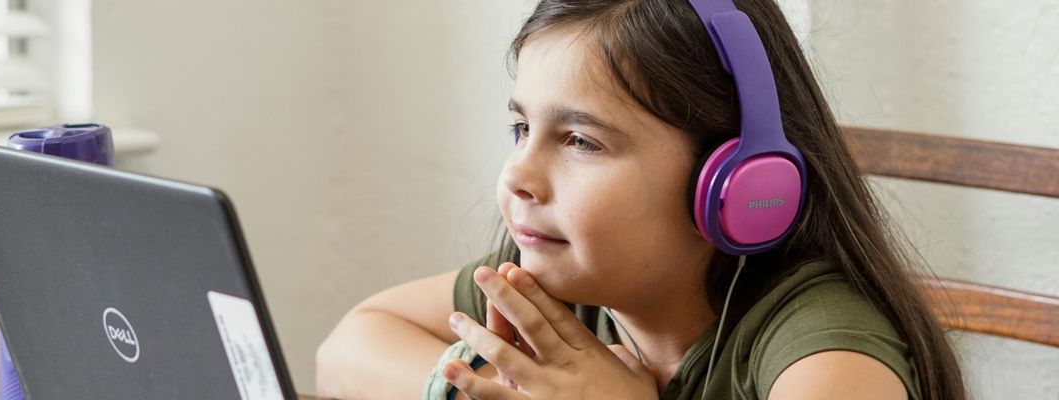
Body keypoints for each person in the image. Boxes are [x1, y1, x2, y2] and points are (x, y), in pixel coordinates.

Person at [316, 1, 967, 399]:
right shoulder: (564, 285)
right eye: (521, 128)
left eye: (579, 140)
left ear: (737, 183)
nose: (518, 174)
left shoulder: (822, 344)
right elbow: (345, 351)